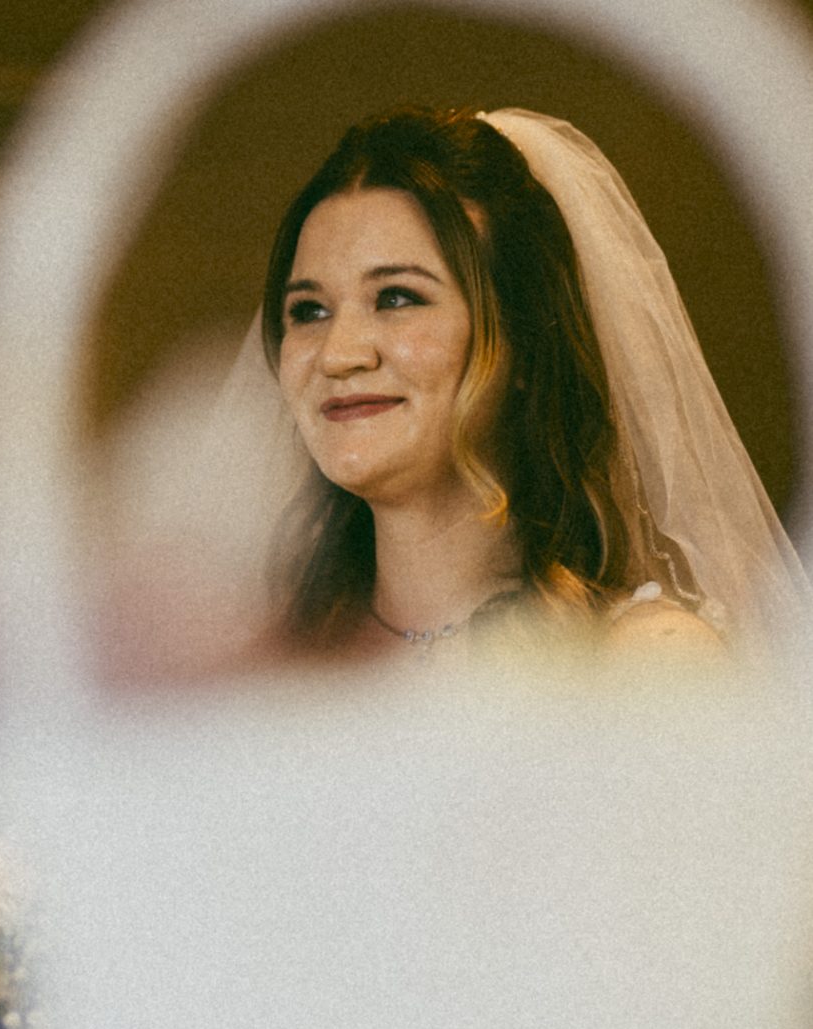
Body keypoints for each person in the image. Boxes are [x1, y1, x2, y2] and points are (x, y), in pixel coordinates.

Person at [237, 107, 811, 669]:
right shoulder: (262, 672)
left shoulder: (641, 663)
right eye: (309, 310)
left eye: (397, 298)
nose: (338, 355)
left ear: (524, 341)